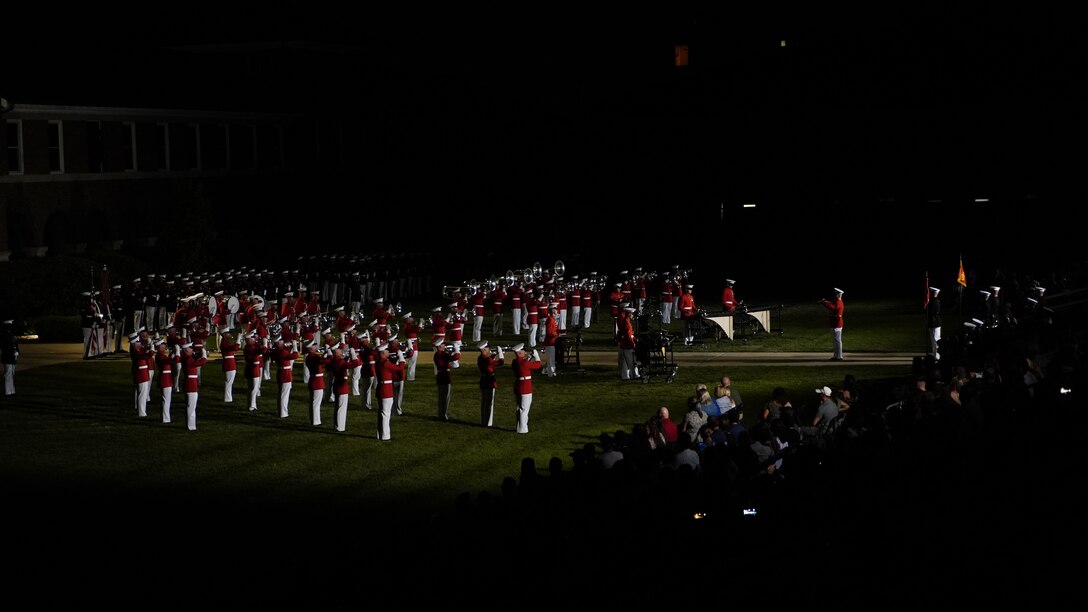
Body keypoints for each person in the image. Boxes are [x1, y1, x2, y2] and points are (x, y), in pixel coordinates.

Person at [510, 343, 542, 434]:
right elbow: (537, 365)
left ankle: (518, 427)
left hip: (518, 386)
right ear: (520, 352)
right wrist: (537, 356)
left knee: (519, 408)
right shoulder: (523, 363)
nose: (525, 352)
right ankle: (522, 429)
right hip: (525, 388)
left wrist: (529, 358)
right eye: (523, 351)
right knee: (524, 409)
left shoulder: (515, 362)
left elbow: (525, 365)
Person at [180, 342, 208, 431]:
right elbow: (202, 361)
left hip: (190, 383)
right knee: (191, 407)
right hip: (190, 384)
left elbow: (196, 359)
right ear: (186, 350)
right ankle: (190, 426)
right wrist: (204, 352)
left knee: (191, 406)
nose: (192, 349)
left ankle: (191, 425)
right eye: (190, 348)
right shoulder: (188, 359)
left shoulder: (188, 358)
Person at [477, 341, 505, 427]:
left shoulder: (480, 357)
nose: (489, 350)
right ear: (484, 349)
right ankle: (488, 422)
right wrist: (500, 353)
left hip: (483, 380)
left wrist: (493, 355)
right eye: (488, 348)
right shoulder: (487, 359)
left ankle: (484, 421)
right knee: (489, 403)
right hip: (489, 381)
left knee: (484, 402)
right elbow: (500, 362)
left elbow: (489, 362)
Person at [154, 340, 179, 423]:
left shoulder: (161, 355)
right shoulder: (160, 356)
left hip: (166, 378)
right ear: (159, 347)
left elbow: (170, 359)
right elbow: (174, 361)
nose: (165, 346)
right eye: (163, 345)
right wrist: (177, 352)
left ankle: (165, 417)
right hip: (165, 379)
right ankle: (165, 418)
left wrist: (173, 353)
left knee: (166, 399)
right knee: (166, 400)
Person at [434, 340, 460, 421]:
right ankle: (443, 415)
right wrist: (457, 349)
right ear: (439, 346)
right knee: (445, 397)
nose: (444, 345)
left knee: (442, 397)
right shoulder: (441, 354)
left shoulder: (439, 354)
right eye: (443, 344)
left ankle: (441, 414)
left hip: (441, 376)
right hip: (444, 377)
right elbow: (456, 357)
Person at [820, 287, 845, 360]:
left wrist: (824, 303)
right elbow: (831, 304)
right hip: (835, 324)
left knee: (837, 341)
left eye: (836, 294)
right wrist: (825, 302)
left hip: (837, 324)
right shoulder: (837, 301)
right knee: (836, 341)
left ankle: (839, 356)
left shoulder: (838, 303)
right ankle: (836, 356)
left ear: (838, 295)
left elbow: (832, 307)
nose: (834, 295)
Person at [1, 320, 18, 396]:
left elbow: (15, 345)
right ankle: (8, 391)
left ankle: (12, 390)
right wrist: (13, 352)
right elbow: (5, 347)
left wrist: (17, 351)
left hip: (12, 357)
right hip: (8, 357)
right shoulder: (4, 335)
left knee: (12, 374)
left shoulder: (11, 335)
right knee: (8, 374)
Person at [927, 286, 942, 361]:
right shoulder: (933, 301)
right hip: (933, 322)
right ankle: (935, 355)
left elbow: (932, 313)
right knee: (934, 340)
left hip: (934, 323)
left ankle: (937, 356)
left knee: (936, 340)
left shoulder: (934, 301)